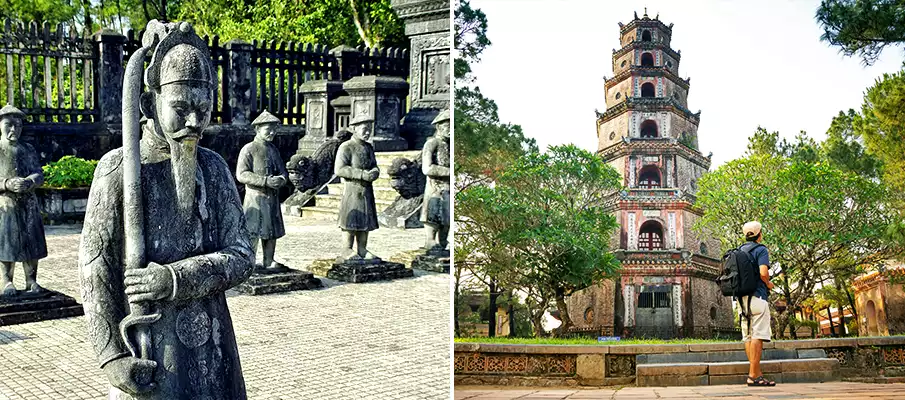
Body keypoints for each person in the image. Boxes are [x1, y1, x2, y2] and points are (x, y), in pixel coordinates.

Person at [79, 20, 253, 399]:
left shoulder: (215, 168)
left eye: (203, 109)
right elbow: (95, 270)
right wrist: (111, 358)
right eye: (181, 108)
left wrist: (174, 279)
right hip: (149, 347)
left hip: (214, 344)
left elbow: (242, 254)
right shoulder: (118, 171)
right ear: (148, 104)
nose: (194, 121)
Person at [0, 105, 47, 297]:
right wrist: (6, 183)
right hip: (5, 204)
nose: (13, 130)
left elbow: (39, 173)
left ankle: (31, 280)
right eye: (9, 125)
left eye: (18, 126)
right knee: (6, 243)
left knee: (31, 241)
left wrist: (30, 181)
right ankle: (6, 281)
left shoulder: (28, 149)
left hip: (28, 202)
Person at [237, 110, 289, 271]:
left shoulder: (273, 149)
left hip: (272, 198)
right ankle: (249, 262)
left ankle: (269, 260)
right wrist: (265, 181)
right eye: (268, 129)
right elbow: (241, 174)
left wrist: (281, 179)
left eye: (274, 129)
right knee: (253, 231)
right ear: (257, 129)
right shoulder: (249, 149)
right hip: (255, 198)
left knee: (271, 231)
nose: (272, 133)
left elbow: (283, 172)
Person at [334, 114, 380, 260]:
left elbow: (374, 165)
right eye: (365, 129)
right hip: (353, 189)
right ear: (354, 128)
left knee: (366, 220)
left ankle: (362, 248)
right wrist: (361, 174)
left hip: (366, 189)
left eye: (370, 129)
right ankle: (347, 248)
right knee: (351, 220)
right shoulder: (346, 147)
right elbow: (339, 169)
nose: (368, 132)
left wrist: (374, 172)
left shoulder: (368, 147)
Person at [740, 221, 776, 387]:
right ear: (759, 234)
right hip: (758, 296)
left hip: (742, 300)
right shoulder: (761, 249)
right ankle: (753, 375)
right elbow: (763, 273)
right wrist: (768, 284)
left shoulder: (739, 250)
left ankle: (757, 373)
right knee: (758, 335)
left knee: (748, 336)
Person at [420, 109, 451, 251]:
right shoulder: (432, 143)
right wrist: (448, 172)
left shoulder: (450, 145)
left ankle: (443, 242)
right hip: (435, 186)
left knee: (447, 218)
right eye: (447, 126)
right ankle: (430, 241)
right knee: (433, 215)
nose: (450, 130)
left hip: (449, 187)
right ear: (439, 127)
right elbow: (427, 168)